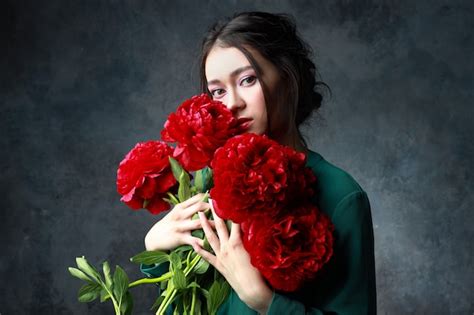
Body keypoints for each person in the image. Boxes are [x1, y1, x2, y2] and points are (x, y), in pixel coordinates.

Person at [142, 11, 376, 314]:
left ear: (288, 78)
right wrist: (156, 249)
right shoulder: (206, 184)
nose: (232, 103)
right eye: (218, 91)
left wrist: (264, 301)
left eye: (248, 79)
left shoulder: (341, 195)